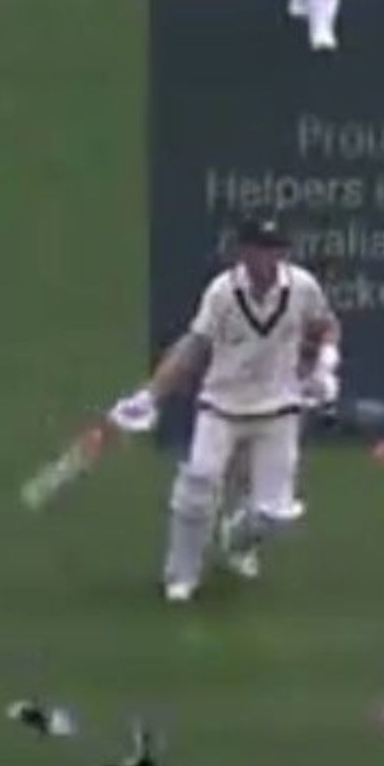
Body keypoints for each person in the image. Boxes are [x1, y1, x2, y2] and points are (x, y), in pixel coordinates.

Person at [112, 218, 342, 601]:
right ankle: (181, 576)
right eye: (260, 249)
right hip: (221, 406)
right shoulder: (221, 293)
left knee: (276, 515)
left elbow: (326, 325)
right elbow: (193, 347)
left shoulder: (302, 286)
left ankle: (236, 541)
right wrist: (151, 396)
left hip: (279, 409)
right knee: (197, 486)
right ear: (244, 253)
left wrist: (324, 367)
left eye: (275, 250)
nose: (268, 258)